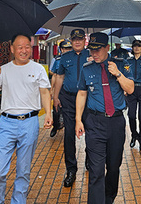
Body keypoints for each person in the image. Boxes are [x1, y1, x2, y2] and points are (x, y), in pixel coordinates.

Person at [0, 34, 52, 203]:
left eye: (27, 47)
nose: (24, 50)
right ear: (12, 49)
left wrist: (48, 114)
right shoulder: (3, 69)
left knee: (24, 170)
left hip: (29, 123)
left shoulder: (38, 69)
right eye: (20, 47)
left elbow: (45, 92)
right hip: (6, 123)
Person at [75, 32, 134, 204]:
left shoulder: (122, 65)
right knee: (96, 169)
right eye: (91, 50)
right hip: (94, 123)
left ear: (107, 48)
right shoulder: (87, 68)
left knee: (114, 167)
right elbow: (81, 93)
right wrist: (79, 119)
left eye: (98, 50)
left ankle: (109, 199)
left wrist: (117, 74)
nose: (94, 54)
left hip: (116, 122)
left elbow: (130, 89)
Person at [53, 29, 90, 187]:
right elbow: (60, 77)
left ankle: (90, 161)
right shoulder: (65, 57)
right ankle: (71, 169)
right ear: (71, 40)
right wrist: (55, 96)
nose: (77, 42)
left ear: (84, 40)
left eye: (80, 39)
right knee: (69, 134)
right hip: (68, 99)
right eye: (74, 39)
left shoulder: (91, 55)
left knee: (92, 132)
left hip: (88, 99)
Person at [49, 40, 73, 137]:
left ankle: (68, 129)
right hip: (60, 88)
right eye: (65, 48)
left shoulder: (74, 59)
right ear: (61, 49)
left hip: (70, 89)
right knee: (56, 109)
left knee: (68, 111)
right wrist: (52, 89)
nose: (67, 50)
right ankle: (55, 126)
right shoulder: (57, 60)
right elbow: (54, 75)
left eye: (69, 48)